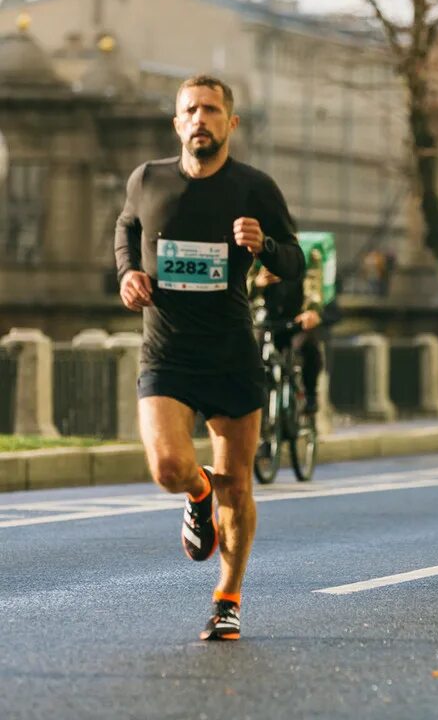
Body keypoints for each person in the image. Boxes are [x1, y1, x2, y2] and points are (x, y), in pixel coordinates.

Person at [114, 74, 304, 640]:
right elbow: (126, 226)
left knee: (239, 485)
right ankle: (198, 494)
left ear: (230, 123)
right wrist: (127, 273)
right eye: (190, 109)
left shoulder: (253, 188)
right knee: (169, 467)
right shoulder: (148, 179)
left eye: (212, 110)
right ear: (178, 123)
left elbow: (295, 258)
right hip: (167, 352)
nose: (201, 118)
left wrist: (264, 246)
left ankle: (227, 599)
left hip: (231, 355)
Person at [248, 247, 326, 413]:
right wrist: (257, 284)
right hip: (265, 320)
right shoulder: (255, 254)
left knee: (308, 346)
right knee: (252, 353)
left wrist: (310, 310)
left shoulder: (303, 255)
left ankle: (310, 395)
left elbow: (313, 286)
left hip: (295, 319)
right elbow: (241, 287)